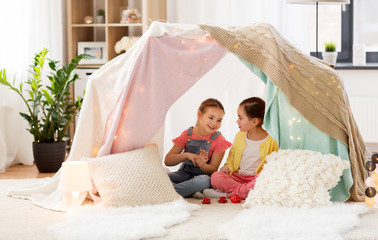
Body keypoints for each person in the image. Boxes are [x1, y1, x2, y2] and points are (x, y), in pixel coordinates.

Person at [204, 97, 279, 199]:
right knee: (215, 177)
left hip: (256, 178)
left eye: (240, 118)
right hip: (238, 177)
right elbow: (231, 158)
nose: (237, 121)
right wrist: (228, 167)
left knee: (266, 180)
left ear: (254, 121)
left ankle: (229, 194)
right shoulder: (239, 136)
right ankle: (246, 192)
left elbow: (273, 166)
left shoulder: (272, 140)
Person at [165, 98, 232, 198]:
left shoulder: (219, 140)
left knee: (204, 180)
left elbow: (213, 170)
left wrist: (202, 164)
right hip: (182, 174)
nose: (214, 123)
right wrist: (186, 155)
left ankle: (168, 194)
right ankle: (189, 191)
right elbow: (168, 161)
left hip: (201, 177)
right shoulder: (187, 134)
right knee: (161, 177)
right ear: (199, 114)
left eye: (219, 120)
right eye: (211, 118)